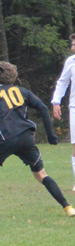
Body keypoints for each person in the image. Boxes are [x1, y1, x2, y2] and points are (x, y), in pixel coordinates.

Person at [0, 61, 74, 219]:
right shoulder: (22, 91)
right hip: (26, 138)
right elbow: (42, 108)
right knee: (41, 174)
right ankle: (68, 207)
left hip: (5, 138)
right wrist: (51, 135)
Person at [50, 33, 75, 190]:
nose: (72, 47)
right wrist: (56, 102)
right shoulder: (71, 61)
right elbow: (62, 82)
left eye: (74, 44)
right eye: (72, 44)